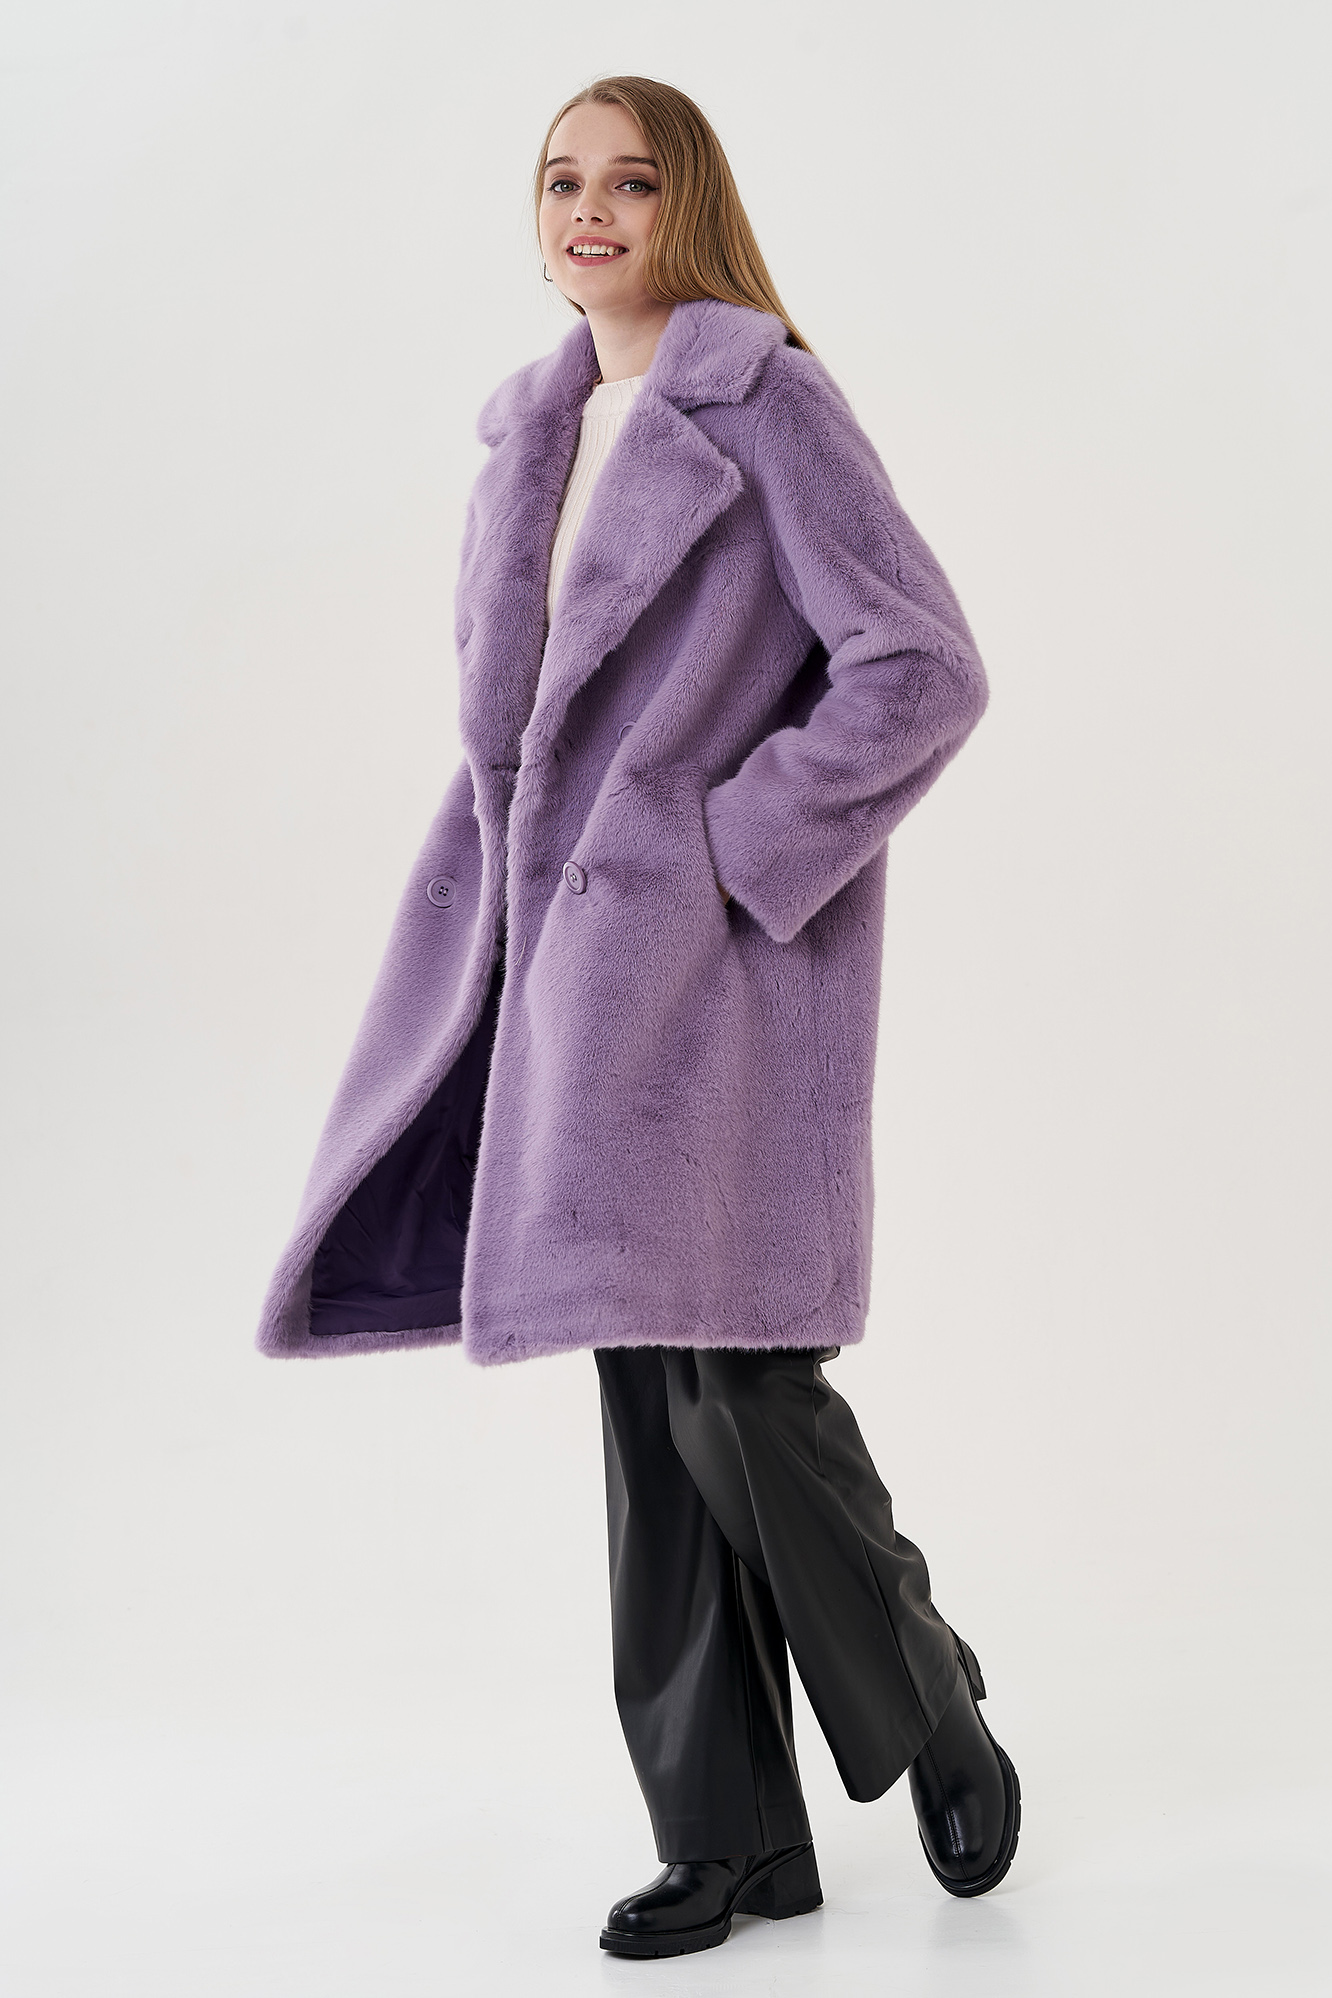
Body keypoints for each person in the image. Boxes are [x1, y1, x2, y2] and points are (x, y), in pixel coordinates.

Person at [256, 75, 1019, 1960]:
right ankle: (730, 1839)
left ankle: (928, 1689)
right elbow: (522, 732)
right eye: (561, 180)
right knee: (647, 1414)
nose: (590, 208)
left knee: (739, 1395)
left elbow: (922, 665)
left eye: (632, 179)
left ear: (693, 206)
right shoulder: (530, 431)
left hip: (723, 986)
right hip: (571, 995)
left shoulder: (764, 402)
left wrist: (730, 846)